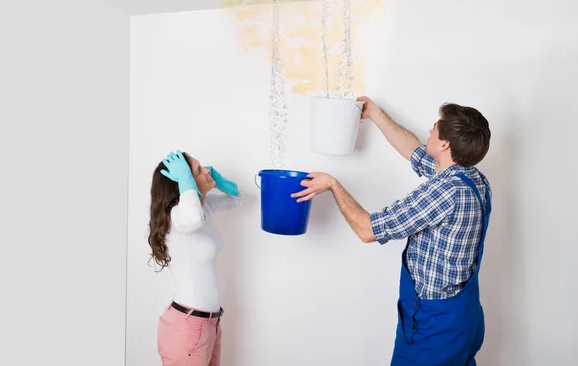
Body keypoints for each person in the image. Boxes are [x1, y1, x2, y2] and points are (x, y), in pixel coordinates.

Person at [292, 96, 492, 366]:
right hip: (463, 319)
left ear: (445, 144)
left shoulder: (444, 193)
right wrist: (375, 113)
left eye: (435, 127)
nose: (430, 131)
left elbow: (366, 229)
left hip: (435, 329)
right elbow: (414, 151)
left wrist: (333, 185)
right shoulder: (472, 179)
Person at [147, 150, 244, 366]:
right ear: (183, 182)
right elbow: (192, 220)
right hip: (187, 326)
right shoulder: (177, 216)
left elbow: (240, 200)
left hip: (210, 324)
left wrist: (221, 182)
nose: (207, 170)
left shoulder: (205, 207)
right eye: (198, 171)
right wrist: (185, 179)